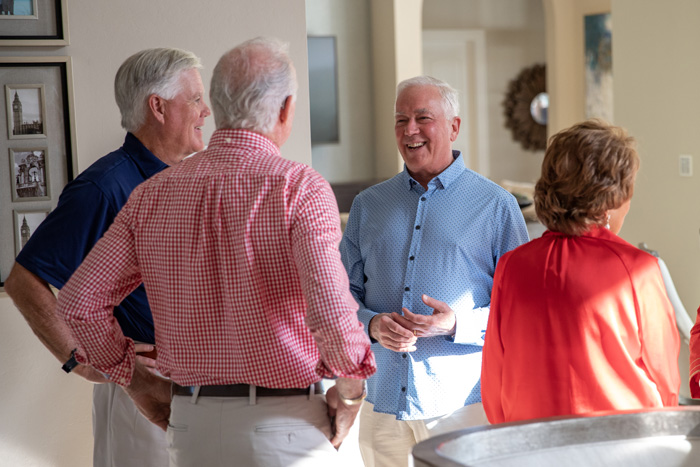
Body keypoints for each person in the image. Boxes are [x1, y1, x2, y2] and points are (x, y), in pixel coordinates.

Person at [55, 37, 376, 467]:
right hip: (286, 427)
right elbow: (332, 313)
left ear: (218, 106)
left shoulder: (151, 195)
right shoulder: (299, 187)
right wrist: (351, 393)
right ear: (285, 109)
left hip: (192, 430)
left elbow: (78, 303)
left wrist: (133, 380)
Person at [4, 47, 211, 466]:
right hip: (143, 389)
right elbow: (23, 281)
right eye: (194, 100)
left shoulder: (190, 179)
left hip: (200, 386)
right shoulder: (104, 187)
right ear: (158, 106)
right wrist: (79, 362)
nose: (206, 111)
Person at [340, 75, 529, 467]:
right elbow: (340, 296)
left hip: (460, 405)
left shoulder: (496, 207)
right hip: (382, 403)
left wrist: (456, 324)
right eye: (400, 119)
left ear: (453, 126)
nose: (410, 130)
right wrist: (372, 325)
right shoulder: (367, 206)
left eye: (423, 118)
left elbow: (524, 310)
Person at [481, 119, 680, 424]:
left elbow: (495, 375)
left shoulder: (512, 266)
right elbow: (663, 377)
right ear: (611, 198)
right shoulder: (638, 269)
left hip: (532, 442)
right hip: (618, 442)